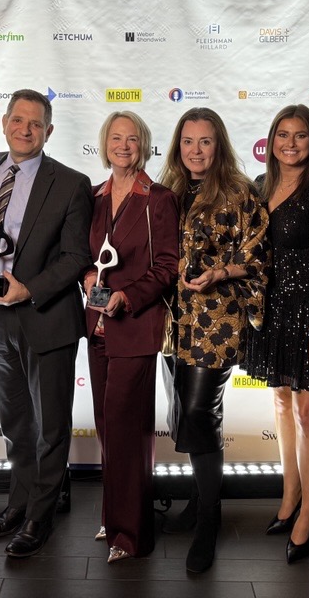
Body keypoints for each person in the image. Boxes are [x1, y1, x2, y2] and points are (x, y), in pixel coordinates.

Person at [0, 88, 93, 558]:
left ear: (49, 131)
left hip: (47, 317)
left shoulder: (71, 182)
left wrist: (31, 288)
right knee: (15, 422)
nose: (25, 130)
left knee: (50, 426)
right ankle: (18, 503)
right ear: (4, 123)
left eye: (35, 124)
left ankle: (41, 516)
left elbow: (76, 255)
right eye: (18, 121)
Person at [159, 107, 269, 573]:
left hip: (217, 322)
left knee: (202, 414)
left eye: (205, 141)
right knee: (185, 412)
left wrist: (221, 271)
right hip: (173, 323)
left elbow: (260, 257)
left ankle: (209, 521)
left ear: (219, 144)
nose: (196, 151)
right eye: (188, 141)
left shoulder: (241, 193)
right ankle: (193, 503)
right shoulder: (168, 192)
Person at [243, 104, 309, 563]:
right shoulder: (258, 187)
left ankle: (308, 513)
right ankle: (288, 498)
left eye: (300, 135)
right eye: (282, 134)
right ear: (271, 140)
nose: (291, 143)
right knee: (281, 402)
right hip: (272, 313)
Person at [81, 111, 180, 563]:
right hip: (97, 327)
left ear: (144, 145)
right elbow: (84, 256)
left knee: (128, 431)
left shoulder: (158, 199)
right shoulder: (94, 197)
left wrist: (126, 296)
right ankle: (112, 516)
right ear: (105, 144)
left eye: (133, 138)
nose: (124, 145)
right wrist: (87, 276)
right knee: (107, 430)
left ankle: (132, 534)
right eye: (116, 138)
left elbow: (166, 267)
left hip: (135, 327)